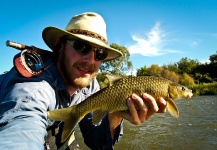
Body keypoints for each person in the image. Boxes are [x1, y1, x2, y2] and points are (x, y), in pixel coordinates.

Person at [0, 12, 167, 150]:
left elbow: (97, 142)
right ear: (60, 45)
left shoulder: (89, 84)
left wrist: (115, 114)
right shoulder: (34, 89)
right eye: (82, 46)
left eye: (100, 53)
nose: (91, 60)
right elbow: (21, 131)